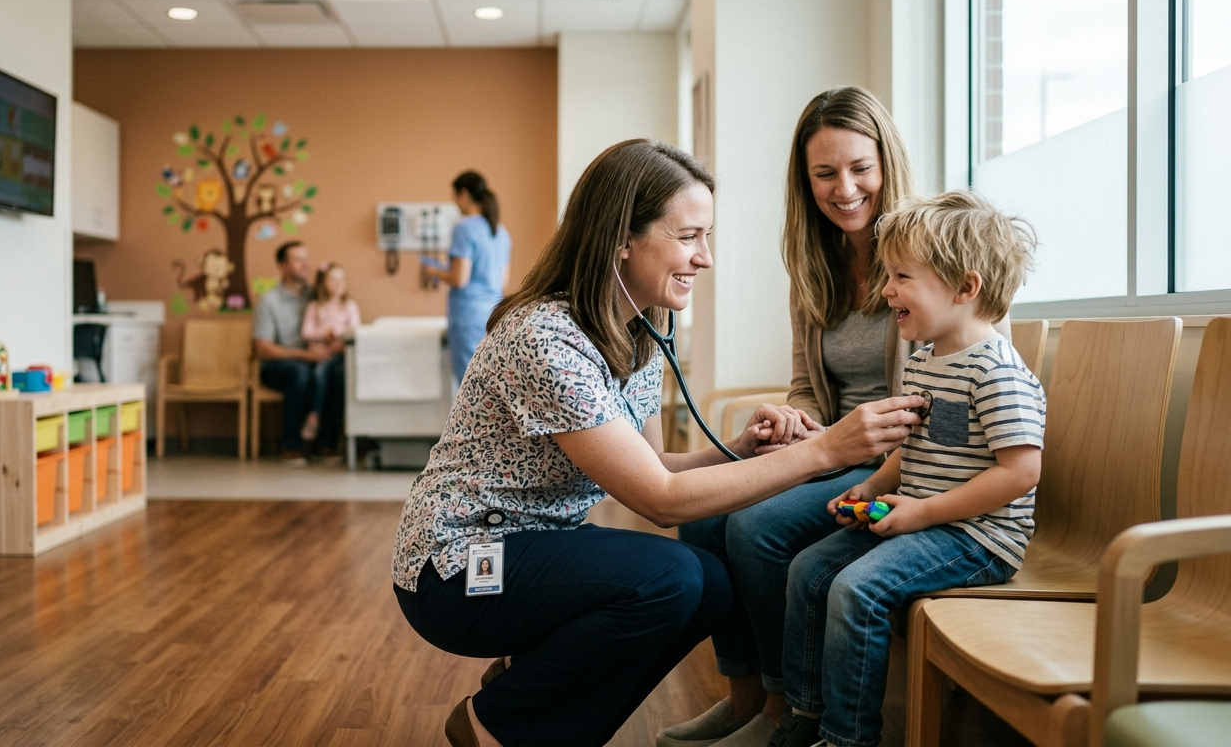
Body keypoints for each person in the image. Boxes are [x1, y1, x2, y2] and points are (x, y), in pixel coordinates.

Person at [391, 139, 925, 747]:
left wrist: (740, 448)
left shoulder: (641, 326)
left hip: (535, 546)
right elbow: (660, 499)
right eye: (689, 237)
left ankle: (526, 696)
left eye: (708, 237)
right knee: (669, 578)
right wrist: (828, 449)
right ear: (622, 238)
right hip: (458, 568)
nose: (706, 258)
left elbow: (655, 464)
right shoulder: (546, 337)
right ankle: (498, 727)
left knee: (710, 587)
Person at [775, 191, 1043, 747]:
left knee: (855, 590)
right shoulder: (926, 358)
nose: (886, 290)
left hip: (978, 537)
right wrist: (869, 486)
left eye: (901, 277)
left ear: (965, 288)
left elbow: (1020, 474)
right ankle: (805, 714)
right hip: (925, 519)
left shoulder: (997, 372)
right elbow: (913, 447)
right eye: (886, 275)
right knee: (808, 569)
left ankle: (846, 738)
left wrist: (922, 513)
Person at [253, 241, 344, 467]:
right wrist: (305, 356)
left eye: (307, 258)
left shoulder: (316, 296)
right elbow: (263, 348)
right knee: (300, 373)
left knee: (339, 372)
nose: (306, 265)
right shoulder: (269, 301)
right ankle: (292, 446)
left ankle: (326, 444)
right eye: (298, 260)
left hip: (316, 359)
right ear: (283, 266)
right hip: (279, 364)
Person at [423, 171, 512, 385]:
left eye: (454, 196)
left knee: (469, 382)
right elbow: (502, 281)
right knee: (489, 379)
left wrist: (435, 271)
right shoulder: (501, 232)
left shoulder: (464, 228)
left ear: (464, 194)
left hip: (468, 316)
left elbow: (460, 279)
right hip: (494, 314)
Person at [299, 262, 360, 453]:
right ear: (322, 283)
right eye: (333, 279)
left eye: (342, 279)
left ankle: (317, 419)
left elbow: (355, 331)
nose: (338, 284)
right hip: (318, 357)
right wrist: (325, 333)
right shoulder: (315, 306)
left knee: (334, 374)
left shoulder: (348, 306)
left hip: (339, 356)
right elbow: (306, 333)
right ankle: (315, 416)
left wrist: (338, 336)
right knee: (321, 371)